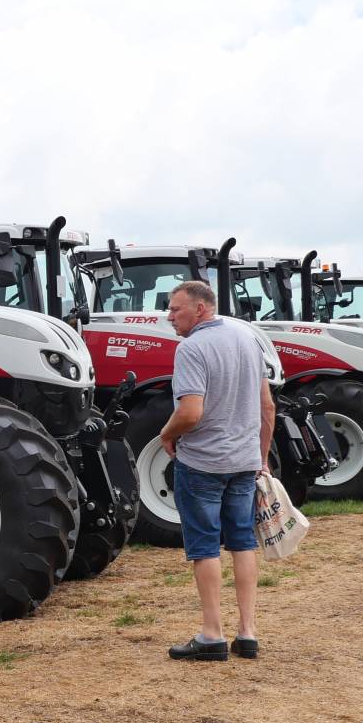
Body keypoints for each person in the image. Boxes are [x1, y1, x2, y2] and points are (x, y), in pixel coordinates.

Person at [158, 280, 274, 661]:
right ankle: (248, 632)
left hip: (203, 462)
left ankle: (212, 633)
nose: (169, 316)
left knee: (205, 545)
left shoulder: (192, 348)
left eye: (176, 309)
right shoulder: (247, 338)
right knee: (242, 541)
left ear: (201, 309)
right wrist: (262, 457)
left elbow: (191, 412)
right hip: (244, 461)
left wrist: (166, 432)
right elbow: (267, 406)